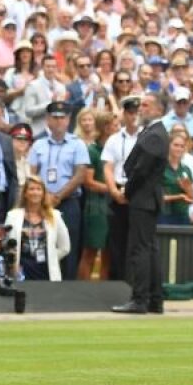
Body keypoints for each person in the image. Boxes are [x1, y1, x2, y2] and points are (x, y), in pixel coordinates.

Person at [112, 93, 170, 314]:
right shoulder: (153, 132)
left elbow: (140, 170)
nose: (140, 109)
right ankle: (154, 299)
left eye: (146, 105)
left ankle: (140, 299)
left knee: (141, 250)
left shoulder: (155, 134)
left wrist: (128, 189)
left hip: (143, 198)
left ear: (158, 110)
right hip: (146, 198)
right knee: (150, 249)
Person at [26, 100, 89, 280]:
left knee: (68, 245)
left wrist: (58, 196)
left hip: (68, 202)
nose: (59, 121)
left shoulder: (77, 144)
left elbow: (80, 175)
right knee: (41, 245)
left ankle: (68, 288)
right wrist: (42, 196)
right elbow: (32, 173)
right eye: (55, 117)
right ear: (47, 120)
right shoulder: (38, 144)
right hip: (41, 203)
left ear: (68, 120)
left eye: (63, 118)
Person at [103, 94, 141, 283]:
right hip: (118, 189)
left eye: (136, 112)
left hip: (139, 192)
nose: (133, 116)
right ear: (124, 115)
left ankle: (136, 283)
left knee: (138, 242)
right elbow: (108, 168)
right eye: (129, 112)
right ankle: (118, 283)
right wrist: (114, 191)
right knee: (117, 242)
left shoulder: (147, 137)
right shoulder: (114, 139)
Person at [4, 177, 70, 281]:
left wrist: (51, 257)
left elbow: (65, 247)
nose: (35, 192)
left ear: (43, 193)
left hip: (47, 274)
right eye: (31, 189)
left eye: (39, 189)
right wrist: (12, 264)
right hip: (20, 273)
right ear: (25, 193)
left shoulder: (55, 216)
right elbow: (6, 245)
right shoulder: (12, 216)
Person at [78, 109, 112, 279]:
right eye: (115, 125)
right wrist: (112, 188)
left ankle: (103, 293)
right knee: (90, 251)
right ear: (105, 128)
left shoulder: (114, 149)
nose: (117, 128)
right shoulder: (92, 151)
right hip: (96, 206)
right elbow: (88, 182)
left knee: (109, 253)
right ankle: (82, 292)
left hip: (112, 206)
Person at [159, 131, 193, 225]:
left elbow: (191, 197)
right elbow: (158, 197)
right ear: (168, 146)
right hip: (164, 214)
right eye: (176, 145)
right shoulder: (160, 168)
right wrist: (179, 197)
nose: (179, 148)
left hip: (182, 215)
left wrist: (186, 189)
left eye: (182, 146)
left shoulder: (186, 170)